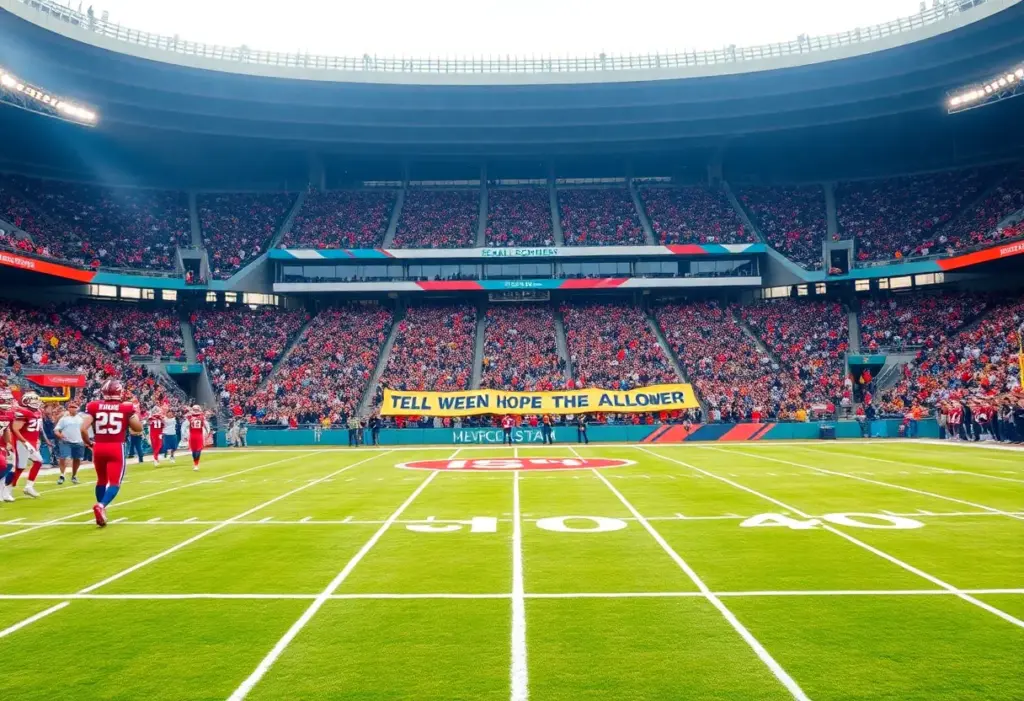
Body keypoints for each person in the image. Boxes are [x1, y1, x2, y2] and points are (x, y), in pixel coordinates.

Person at [80, 379, 143, 527]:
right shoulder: (126, 407)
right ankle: (101, 506)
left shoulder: (94, 405)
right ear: (119, 392)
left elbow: (83, 428)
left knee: (101, 480)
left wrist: (89, 443)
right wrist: (132, 415)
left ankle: (102, 510)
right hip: (116, 447)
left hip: (99, 446)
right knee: (114, 482)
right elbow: (138, 428)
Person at [4, 391, 45, 501]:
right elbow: (15, 429)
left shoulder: (38, 412)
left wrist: (41, 439)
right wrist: (25, 442)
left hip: (32, 442)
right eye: (34, 400)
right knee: (20, 467)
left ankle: (29, 486)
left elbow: (38, 429)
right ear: (26, 401)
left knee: (39, 461)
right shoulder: (23, 412)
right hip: (21, 442)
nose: (37, 403)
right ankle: (7, 490)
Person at [54, 402, 86, 485]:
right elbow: (56, 429)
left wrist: (86, 440)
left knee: (77, 459)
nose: (73, 408)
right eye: (71, 407)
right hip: (66, 441)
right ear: (68, 408)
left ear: (77, 408)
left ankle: (74, 475)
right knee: (63, 458)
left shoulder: (81, 419)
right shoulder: (64, 419)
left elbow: (85, 430)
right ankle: (62, 475)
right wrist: (59, 435)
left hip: (78, 441)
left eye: (74, 407)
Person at [0, 390, 15, 494]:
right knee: (3, 464)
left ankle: (2, 492)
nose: (7, 402)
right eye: (5, 400)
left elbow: (7, 428)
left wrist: (8, 442)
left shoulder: (8, 414)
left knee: (9, 465)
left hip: (2, 444)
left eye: (9, 400)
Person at [185, 405, 209, 471]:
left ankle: (195, 464)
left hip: (193, 435)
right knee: (197, 450)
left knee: (194, 450)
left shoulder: (190, 416)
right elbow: (205, 425)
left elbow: (186, 423)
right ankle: (196, 464)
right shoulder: (202, 416)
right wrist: (207, 432)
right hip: (198, 435)